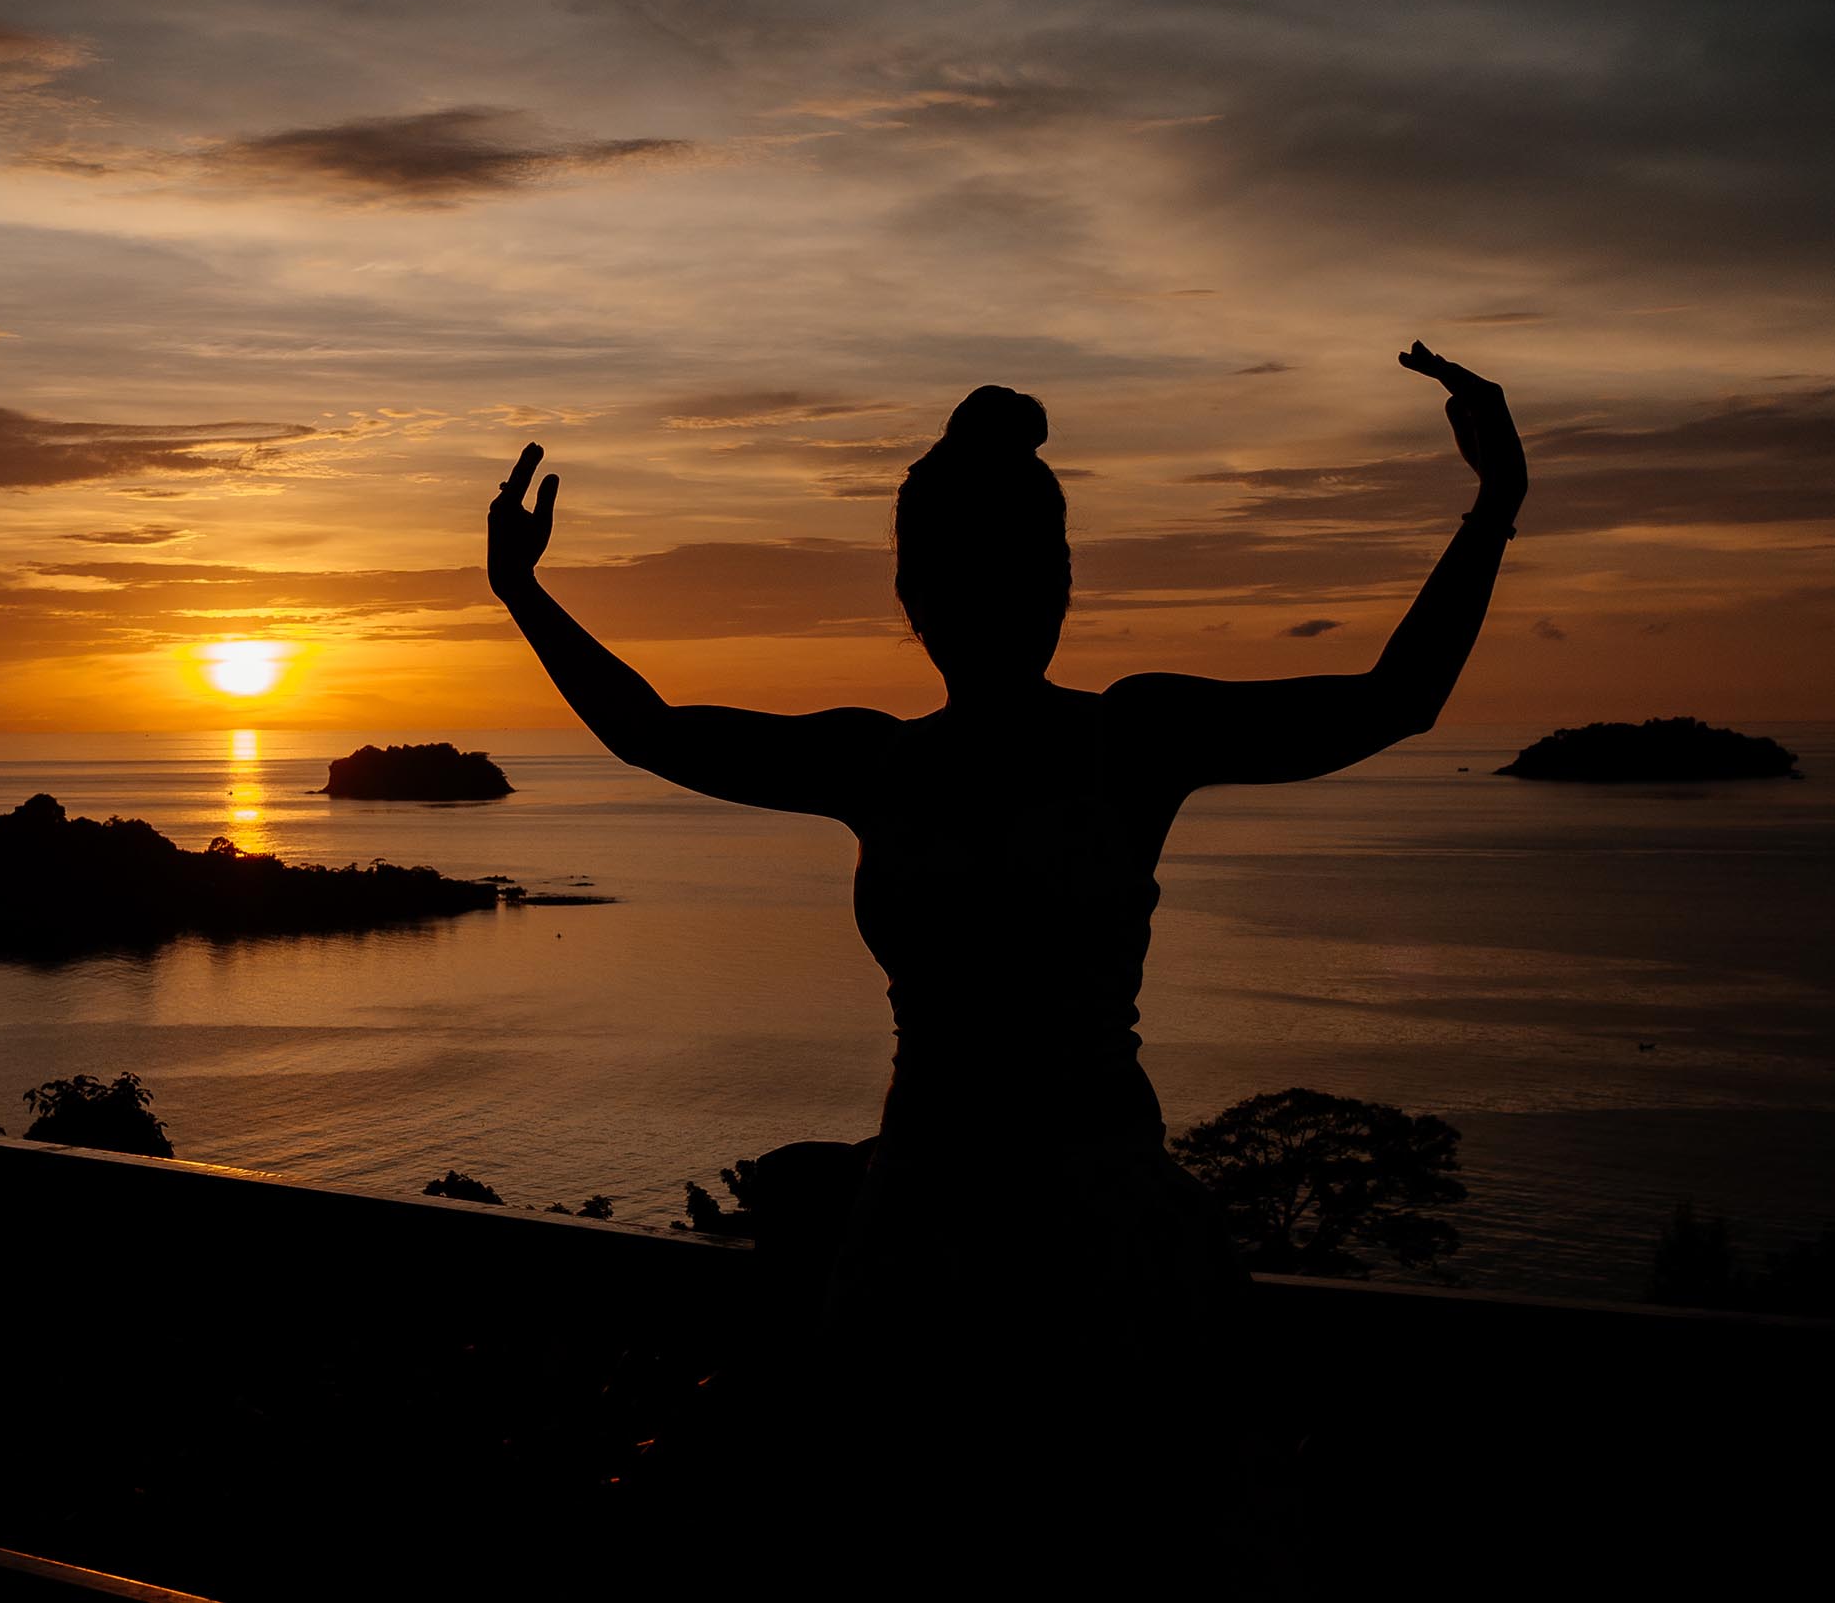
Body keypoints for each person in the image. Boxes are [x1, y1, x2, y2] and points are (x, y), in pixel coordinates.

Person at [488, 343, 1527, 1577]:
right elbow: (1392, 699)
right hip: (1040, 1225)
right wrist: (1493, 505)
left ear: (918, 594)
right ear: (1041, 585)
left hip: (978, 1229)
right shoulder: (1096, 739)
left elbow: (652, 731)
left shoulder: (914, 760)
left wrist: (524, 592)